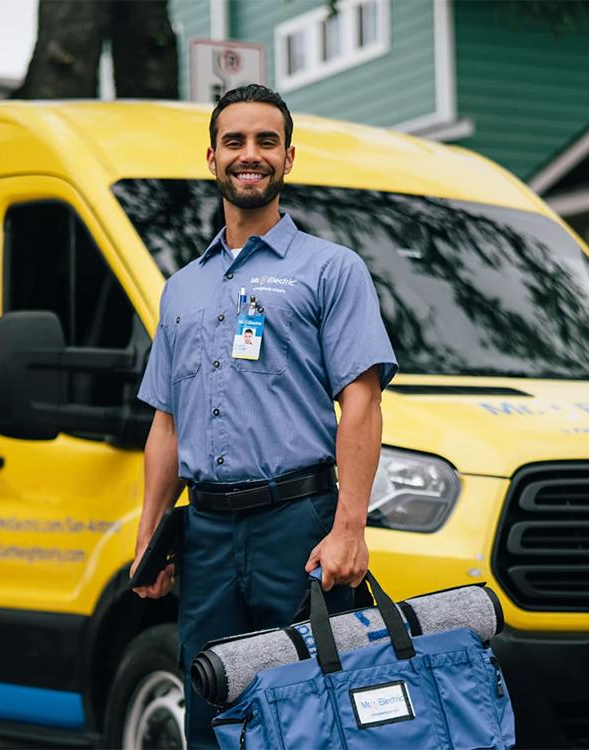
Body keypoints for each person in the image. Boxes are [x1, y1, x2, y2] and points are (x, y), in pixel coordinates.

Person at [130, 84, 397, 748]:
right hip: (208, 536)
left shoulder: (331, 270)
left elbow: (361, 401)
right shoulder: (181, 288)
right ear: (212, 159)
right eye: (235, 142)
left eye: (266, 141)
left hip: (297, 527)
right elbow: (165, 423)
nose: (250, 155)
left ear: (288, 157)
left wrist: (349, 529)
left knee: (311, 709)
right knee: (212, 708)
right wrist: (149, 539)